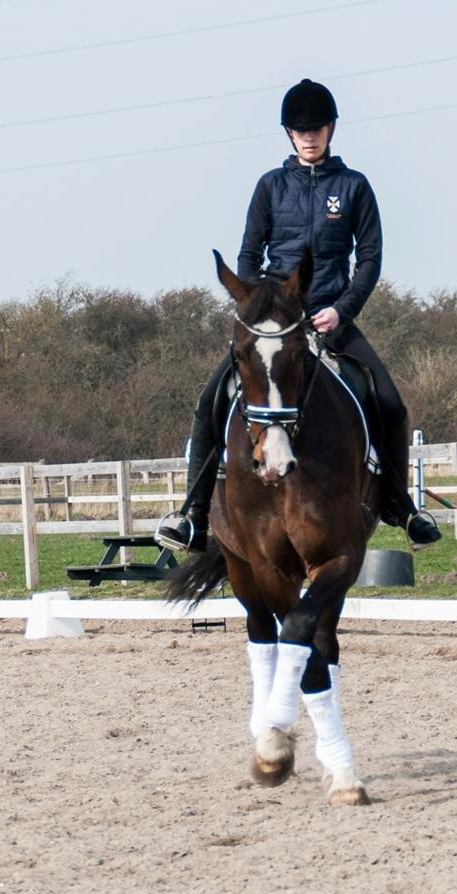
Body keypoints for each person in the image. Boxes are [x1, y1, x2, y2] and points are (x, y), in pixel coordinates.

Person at [157, 78, 441, 554]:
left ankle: (401, 507)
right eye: (300, 130)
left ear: (331, 129)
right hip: (275, 325)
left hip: (332, 317)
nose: (309, 137)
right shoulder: (270, 186)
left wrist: (340, 310)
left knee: (390, 403)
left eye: (317, 129)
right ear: (288, 133)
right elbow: (248, 257)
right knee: (209, 401)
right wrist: (261, 310)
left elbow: (369, 260)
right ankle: (192, 516)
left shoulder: (354, 187)